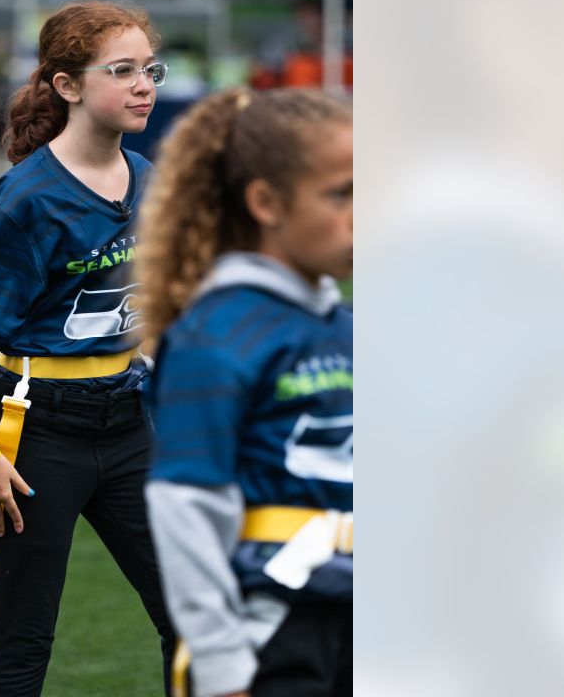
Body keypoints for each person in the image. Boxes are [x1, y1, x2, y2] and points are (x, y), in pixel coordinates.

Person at [0, 1, 177, 697]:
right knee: (23, 642)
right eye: (122, 71)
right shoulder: (28, 200)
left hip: (131, 423)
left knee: (198, 616)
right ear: (67, 86)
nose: (144, 86)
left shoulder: (150, 176)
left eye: (149, 70)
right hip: (37, 434)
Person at [136, 87, 353, 697]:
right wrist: (223, 664)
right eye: (341, 194)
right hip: (271, 633)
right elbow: (186, 509)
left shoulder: (354, 328)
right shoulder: (216, 335)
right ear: (265, 202)